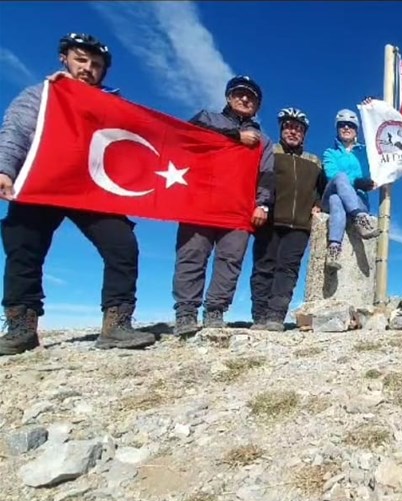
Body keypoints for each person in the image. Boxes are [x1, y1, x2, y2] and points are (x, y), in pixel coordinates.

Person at [0, 33, 156, 355]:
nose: (87, 68)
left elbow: (137, 136)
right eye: (81, 60)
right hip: (44, 182)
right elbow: (15, 132)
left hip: (91, 189)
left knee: (122, 245)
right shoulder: (41, 95)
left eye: (95, 64)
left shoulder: (113, 103)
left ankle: (117, 324)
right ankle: (20, 328)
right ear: (65, 59)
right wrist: (5, 169)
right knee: (23, 246)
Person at [171, 75, 275, 336]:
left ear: (257, 106)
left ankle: (215, 310)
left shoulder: (264, 141)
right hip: (199, 203)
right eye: (239, 94)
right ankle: (186, 311)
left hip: (238, 208)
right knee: (192, 255)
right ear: (229, 97)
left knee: (230, 260)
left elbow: (267, 175)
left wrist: (262, 204)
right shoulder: (207, 118)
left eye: (251, 97)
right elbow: (185, 134)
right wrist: (235, 135)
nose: (245, 99)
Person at [249, 107, 326, 331]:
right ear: (282, 130)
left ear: (304, 134)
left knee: (288, 270)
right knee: (264, 267)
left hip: (300, 225)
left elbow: (322, 190)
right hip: (269, 219)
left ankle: (275, 316)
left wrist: (318, 206)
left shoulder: (314, 161)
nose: (293, 132)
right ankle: (259, 316)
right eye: (289, 127)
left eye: (298, 129)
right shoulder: (269, 152)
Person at [320, 108, 379, 270]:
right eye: (342, 125)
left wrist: (371, 108)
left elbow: (376, 170)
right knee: (340, 177)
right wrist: (357, 182)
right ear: (337, 129)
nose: (346, 128)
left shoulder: (366, 153)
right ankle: (360, 218)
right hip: (333, 190)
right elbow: (331, 174)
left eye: (350, 125)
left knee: (337, 200)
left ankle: (333, 249)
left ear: (356, 130)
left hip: (356, 199)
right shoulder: (330, 152)